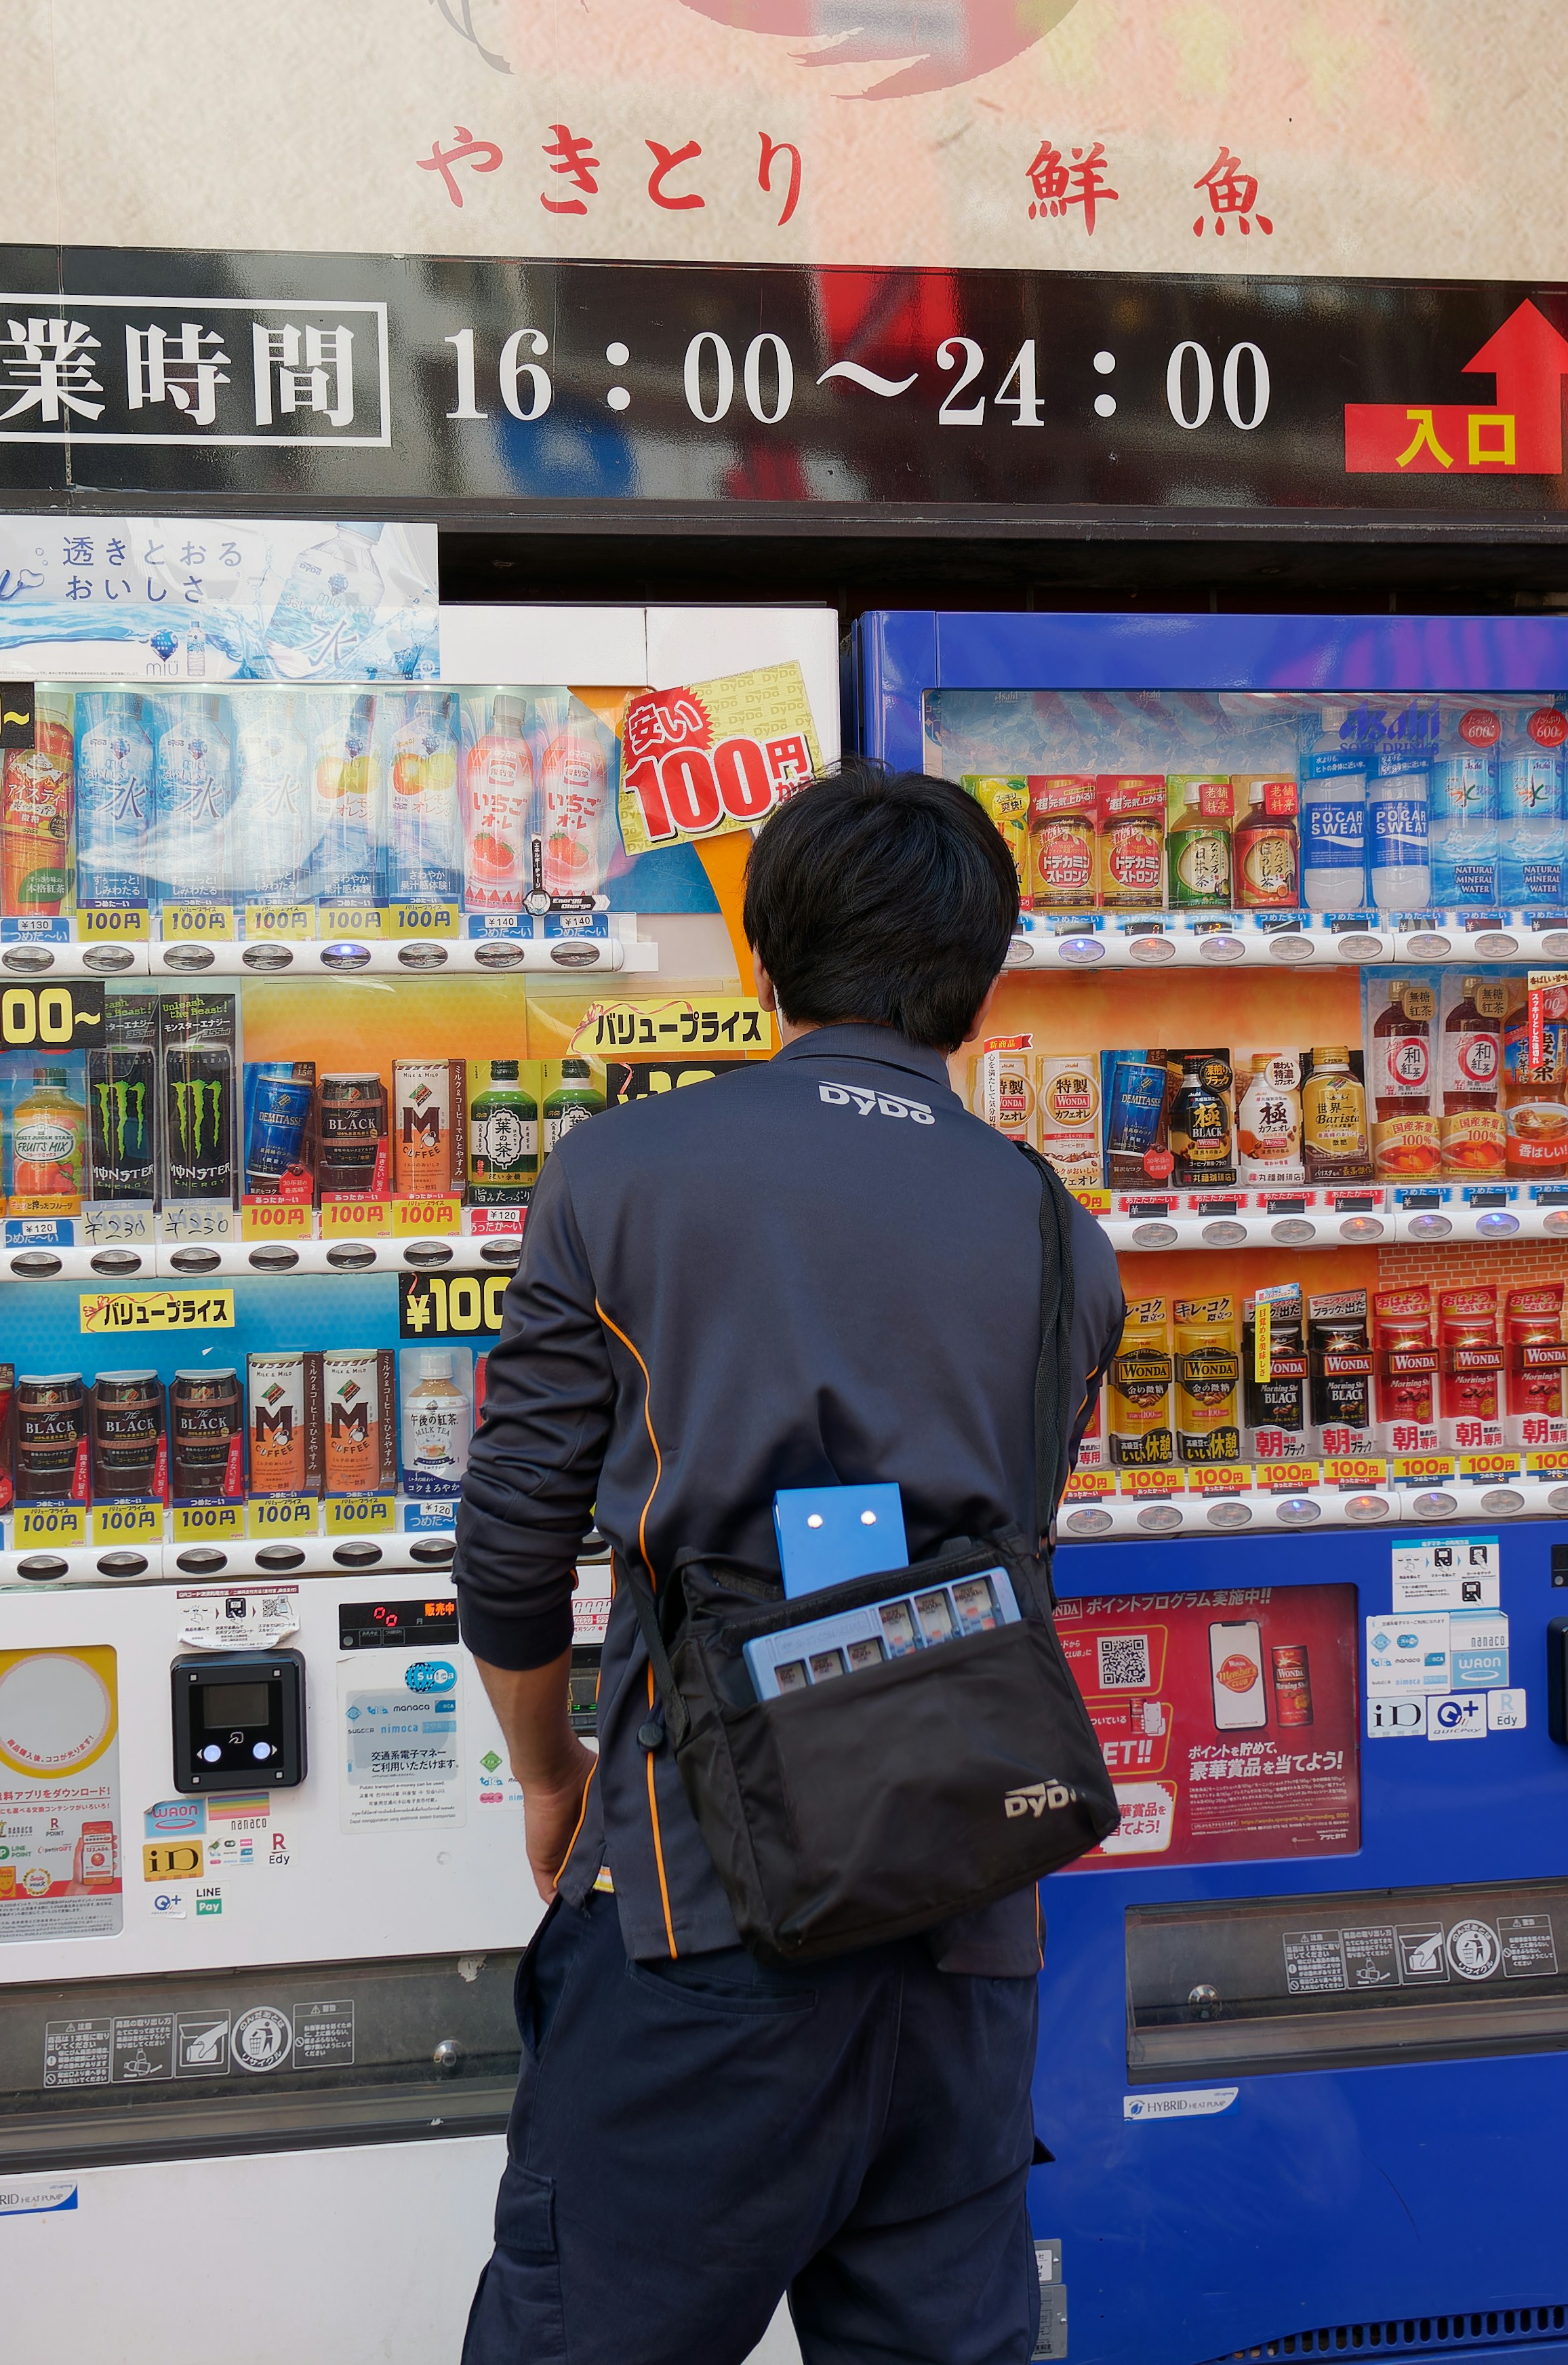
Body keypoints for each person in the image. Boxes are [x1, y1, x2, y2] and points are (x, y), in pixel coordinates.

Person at [452, 763, 1125, 2365]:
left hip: (703, 1914)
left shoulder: (621, 1173)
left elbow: (513, 1533)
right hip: (966, 1923)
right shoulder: (1056, 1227)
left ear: (764, 954)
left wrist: (548, 1774)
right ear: (981, 977)